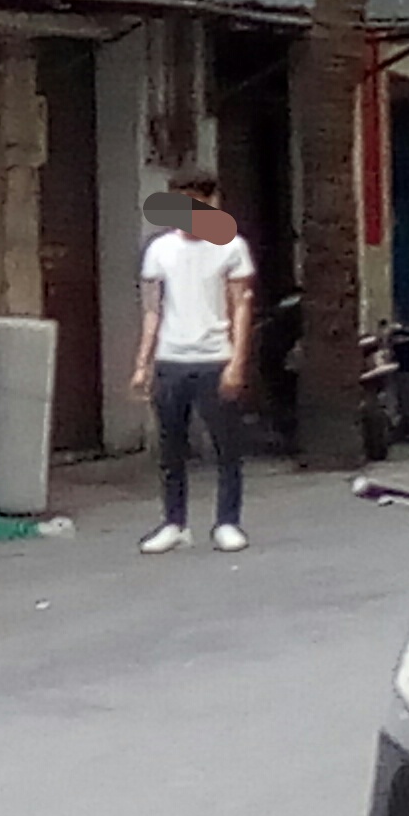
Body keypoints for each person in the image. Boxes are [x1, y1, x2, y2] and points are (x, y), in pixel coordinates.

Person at [134, 169, 257, 556]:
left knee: (226, 446)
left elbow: (241, 307)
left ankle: (227, 522)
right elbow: (152, 310)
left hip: (215, 357)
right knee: (171, 448)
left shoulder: (231, 247)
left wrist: (237, 361)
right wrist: (142, 363)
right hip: (170, 359)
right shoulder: (159, 250)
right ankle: (174, 523)